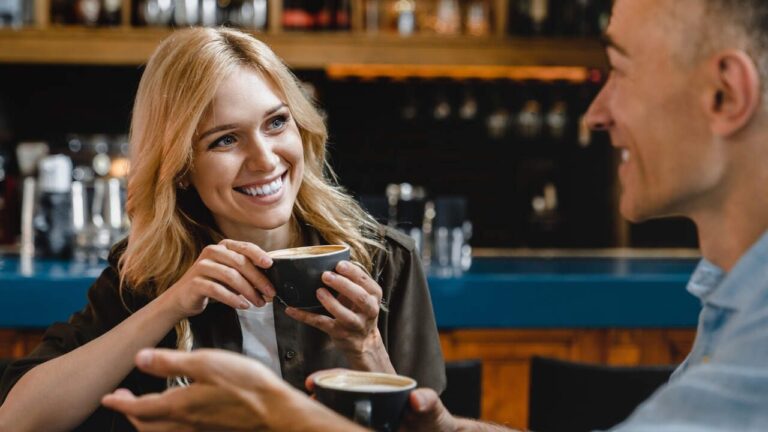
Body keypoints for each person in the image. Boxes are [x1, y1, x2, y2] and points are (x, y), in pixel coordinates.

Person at [100, 0, 768, 430]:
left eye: (620, 70)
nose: (596, 113)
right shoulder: (730, 301)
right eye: (224, 139)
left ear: (724, 95)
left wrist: (277, 413)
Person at [0, 27, 445, 432]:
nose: (265, 159)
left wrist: (366, 345)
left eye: (276, 122)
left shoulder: (387, 260)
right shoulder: (144, 276)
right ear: (180, 168)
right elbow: (17, 420)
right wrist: (170, 305)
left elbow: (425, 426)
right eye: (225, 139)